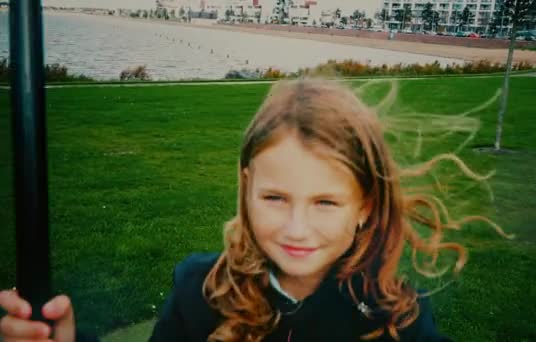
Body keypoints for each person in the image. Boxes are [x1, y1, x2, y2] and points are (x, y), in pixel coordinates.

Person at [0, 78, 504, 341]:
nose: (297, 228)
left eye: (326, 202)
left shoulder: (396, 316)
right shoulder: (200, 292)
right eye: (275, 198)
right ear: (246, 188)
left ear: (364, 207)